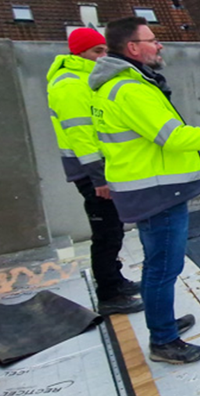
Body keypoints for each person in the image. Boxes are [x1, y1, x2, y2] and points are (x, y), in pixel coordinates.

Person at [89, 17, 200, 364]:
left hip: (147, 187)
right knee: (162, 268)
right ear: (132, 48)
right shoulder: (131, 89)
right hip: (156, 192)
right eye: (152, 40)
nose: (159, 45)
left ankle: (163, 323)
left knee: (160, 265)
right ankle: (163, 341)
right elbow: (175, 137)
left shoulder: (115, 85)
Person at [46, 28, 142, 316]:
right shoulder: (70, 83)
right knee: (106, 232)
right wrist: (99, 178)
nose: (103, 56)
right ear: (79, 53)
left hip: (101, 169)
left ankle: (116, 280)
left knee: (113, 229)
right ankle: (109, 294)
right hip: (92, 173)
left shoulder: (86, 79)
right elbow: (81, 136)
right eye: (96, 52)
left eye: (104, 50)